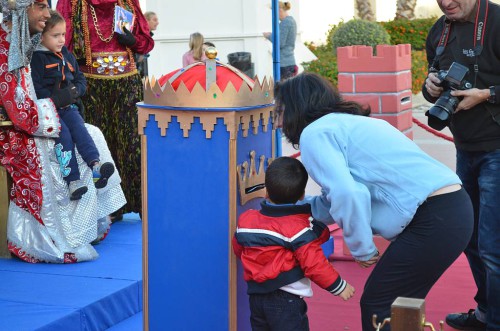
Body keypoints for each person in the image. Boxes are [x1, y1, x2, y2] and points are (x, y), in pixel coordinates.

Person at [274, 72, 474, 331]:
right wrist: (296, 209)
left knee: (380, 305)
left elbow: (347, 194)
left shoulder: (315, 133)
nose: (277, 122)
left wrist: (361, 248)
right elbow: (339, 196)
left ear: (296, 107)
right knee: (401, 306)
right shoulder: (350, 123)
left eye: (279, 111)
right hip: (451, 210)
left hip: (434, 218)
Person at [0, 0, 126, 263]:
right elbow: (18, 108)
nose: (47, 14)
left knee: (94, 134)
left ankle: (87, 220)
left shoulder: (32, 41)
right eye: (41, 6)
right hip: (16, 129)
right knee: (58, 144)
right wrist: (54, 108)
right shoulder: (7, 46)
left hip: (41, 116)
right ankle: (64, 228)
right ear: (20, 8)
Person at [422, 0, 500, 329]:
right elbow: (434, 84)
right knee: (469, 239)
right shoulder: (439, 31)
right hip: (464, 149)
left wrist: (488, 94)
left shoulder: (496, 21)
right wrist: (429, 87)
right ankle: (486, 313)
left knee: (493, 245)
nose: (446, 2)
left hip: (497, 148)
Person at [57, 0, 154, 220]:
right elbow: (60, 43)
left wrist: (133, 40)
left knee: (132, 142)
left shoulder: (128, 2)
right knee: (99, 144)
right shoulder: (71, 3)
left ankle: (139, 202)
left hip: (127, 83)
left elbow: (145, 43)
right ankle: (108, 208)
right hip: (90, 85)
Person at [233, 156, 355, 330]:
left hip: (256, 297)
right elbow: (314, 263)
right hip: (286, 299)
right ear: (302, 195)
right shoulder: (299, 228)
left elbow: (239, 249)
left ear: (266, 191)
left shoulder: (247, 220)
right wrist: (339, 286)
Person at [31, 10, 115, 201]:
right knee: (65, 136)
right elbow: (35, 89)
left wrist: (75, 92)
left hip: (69, 107)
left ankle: (95, 165)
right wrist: (56, 99)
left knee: (80, 129)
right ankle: (73, 181)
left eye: (63, 34)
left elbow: (79, 78)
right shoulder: (37, 58)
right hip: (50, 111)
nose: (61, 40)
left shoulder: (66, 54)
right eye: (55, 36)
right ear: (41, 37)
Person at [263, 1, 297, 80]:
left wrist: (268, 36)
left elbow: (280, 43)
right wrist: (272, 35)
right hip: (289, 63)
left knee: (283, 91)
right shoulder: (291, 21)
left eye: (274, 12)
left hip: (284, 64)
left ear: (280, 10)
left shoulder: (285, 22)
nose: (275, 16)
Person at [135, 11, 159, 78]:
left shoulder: (147, 36)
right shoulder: (140, 35)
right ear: (146, 21)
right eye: (154, 20)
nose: (157, 23)